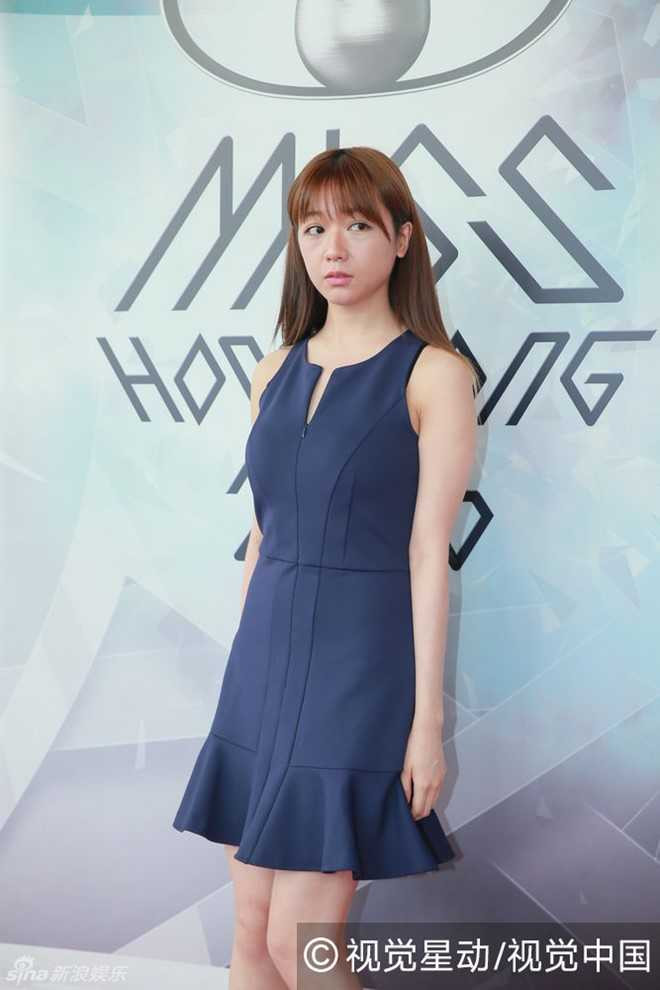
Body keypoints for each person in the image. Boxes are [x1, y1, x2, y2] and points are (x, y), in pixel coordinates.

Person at [173, 146, 478, 989]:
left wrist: (425, 724)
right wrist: (242, 667)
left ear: (403, 239)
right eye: (313, 229)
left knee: (298, 945)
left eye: (356, 227)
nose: (332, 248)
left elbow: (428, 553)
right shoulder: (272, 370)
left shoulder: (435, 375)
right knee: (247, 933)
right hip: (263, 661)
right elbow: (262, 535)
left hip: (358, 671)